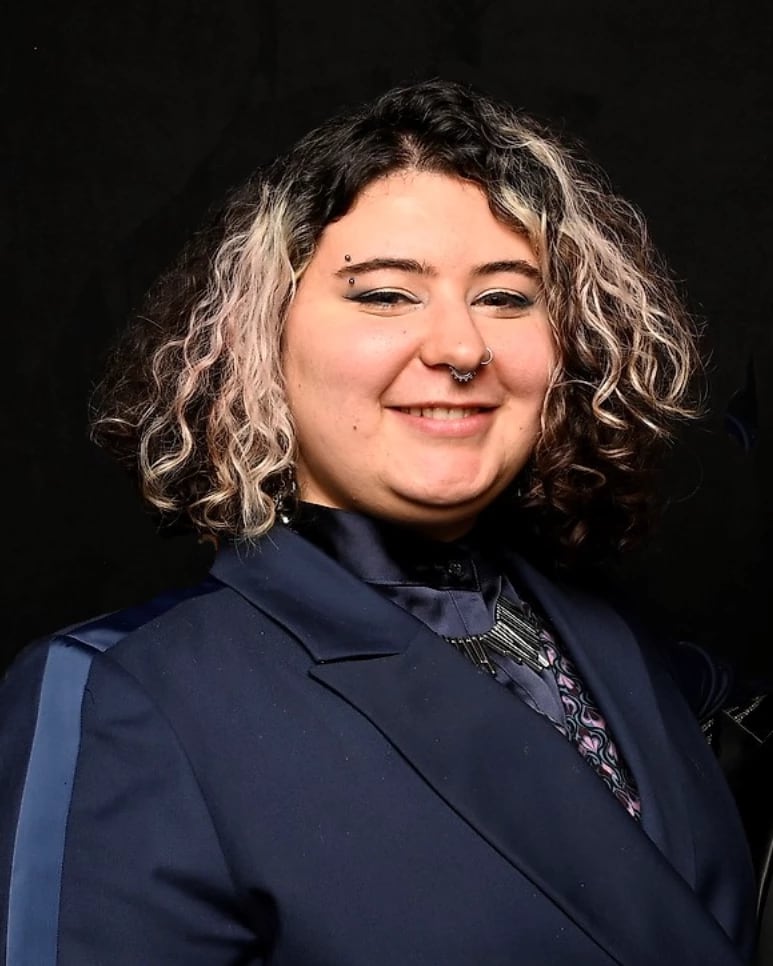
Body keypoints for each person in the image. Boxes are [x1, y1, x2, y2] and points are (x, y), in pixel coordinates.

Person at [0, 79, 759, 965]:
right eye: (385, 296)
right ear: (260, 338)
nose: (459, 347)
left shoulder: (631, 646)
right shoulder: (124, 698)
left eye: (507, 297)